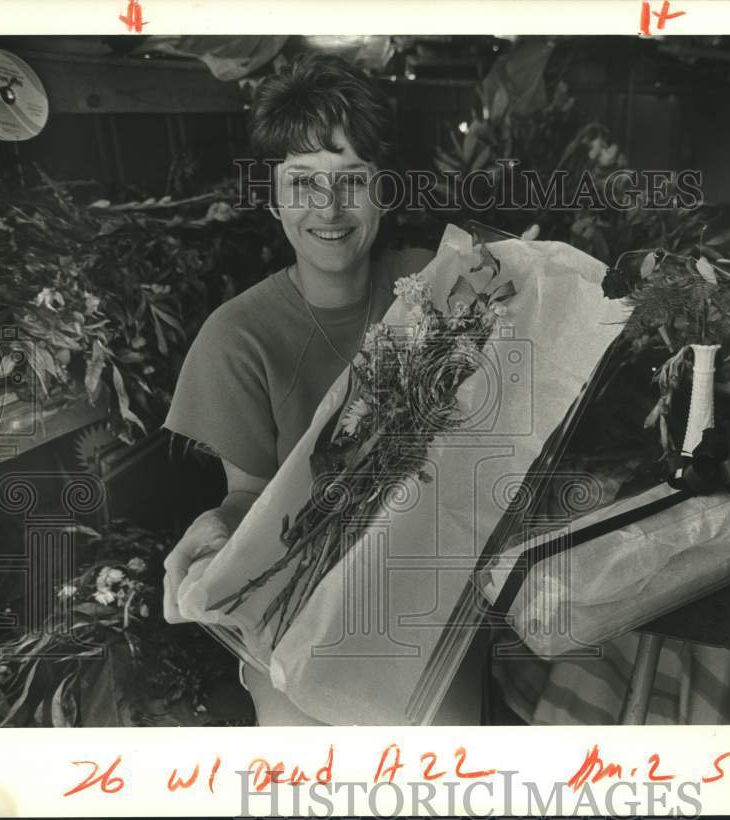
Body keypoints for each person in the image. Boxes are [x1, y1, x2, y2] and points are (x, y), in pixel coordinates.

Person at [161, 52, 437, 725]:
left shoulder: (443, 287)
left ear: (384, 188)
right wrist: (218, 529)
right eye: (304, 181)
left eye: (352, 180)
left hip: (435, 595)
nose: (329, 208)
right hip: (297, 615)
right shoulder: (238, 338)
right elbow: (251, 497)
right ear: (274, 194)